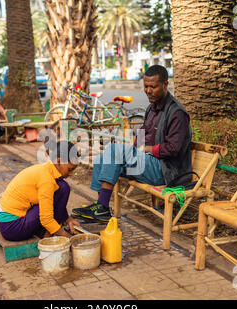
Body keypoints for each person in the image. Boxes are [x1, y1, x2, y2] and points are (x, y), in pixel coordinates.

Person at [72, 65, 192, 221]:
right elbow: (142, 135)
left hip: (167, 171)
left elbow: (173, 148)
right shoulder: (151, 108)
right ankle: (100, 206)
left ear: (165, 85)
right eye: (146, 86)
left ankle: (101, 208)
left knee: (115, 150)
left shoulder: (177, 113)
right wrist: (133, 148)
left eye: (153, 87)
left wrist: (145, 149)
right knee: (103, 158)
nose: (148, 91)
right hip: (148, 163)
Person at [0, 141, 82, 241]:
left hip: (8, 222)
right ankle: (48, 233)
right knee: (55, 198)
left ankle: (50, 230)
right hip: (11, 228)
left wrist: (67, 219)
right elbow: (46, 219)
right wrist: (69, 238)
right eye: (69, 169)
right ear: (58, 161)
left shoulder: (46, 169)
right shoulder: (47, 180)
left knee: (62, 187)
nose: (71, 173)